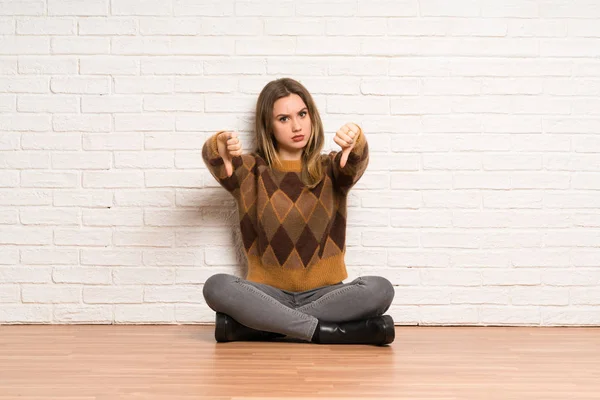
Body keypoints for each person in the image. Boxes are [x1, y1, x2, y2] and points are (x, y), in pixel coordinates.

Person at [201, 77, 395, 346]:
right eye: (283, 118)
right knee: (216, 286)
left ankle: (257, 328)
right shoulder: (249, 171)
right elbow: (217, 161)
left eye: (302, 114)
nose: (296, 125)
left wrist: (356, 141)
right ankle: (324, 332)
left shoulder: (331, 169)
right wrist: (218, 145)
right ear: (268, 127)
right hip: (267, 294)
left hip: (326, 294)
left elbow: (355, 163)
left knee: (380, 289)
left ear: (311, 115)